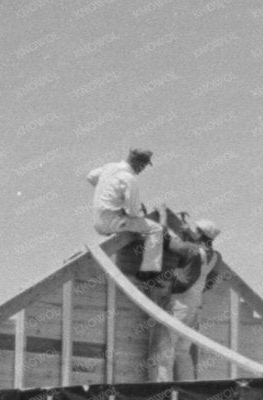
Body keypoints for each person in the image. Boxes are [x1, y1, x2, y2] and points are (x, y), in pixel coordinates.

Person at [146, 219, 224, 383]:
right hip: (196, 304)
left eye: (196, 230)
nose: (193, 231)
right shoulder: (216, 257)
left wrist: (161, 217)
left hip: (180, 303)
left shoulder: (191, 250)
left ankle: (162, 392)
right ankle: (186, 391)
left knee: (165, 349)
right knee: (183, 350)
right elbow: (210, 282)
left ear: (200, 234)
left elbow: (167, 241)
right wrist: (188, 234)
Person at [87, 148, 163, 273]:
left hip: (98, 221)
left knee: (130, 222)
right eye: (144, 166)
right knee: (156, 229)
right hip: (112, 223)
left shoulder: (109, 167)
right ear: (139, 163)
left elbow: (90, 177)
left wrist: (110, 190)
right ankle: (150, 271)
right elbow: (133, 212)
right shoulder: (129, 178)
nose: (143, 170)